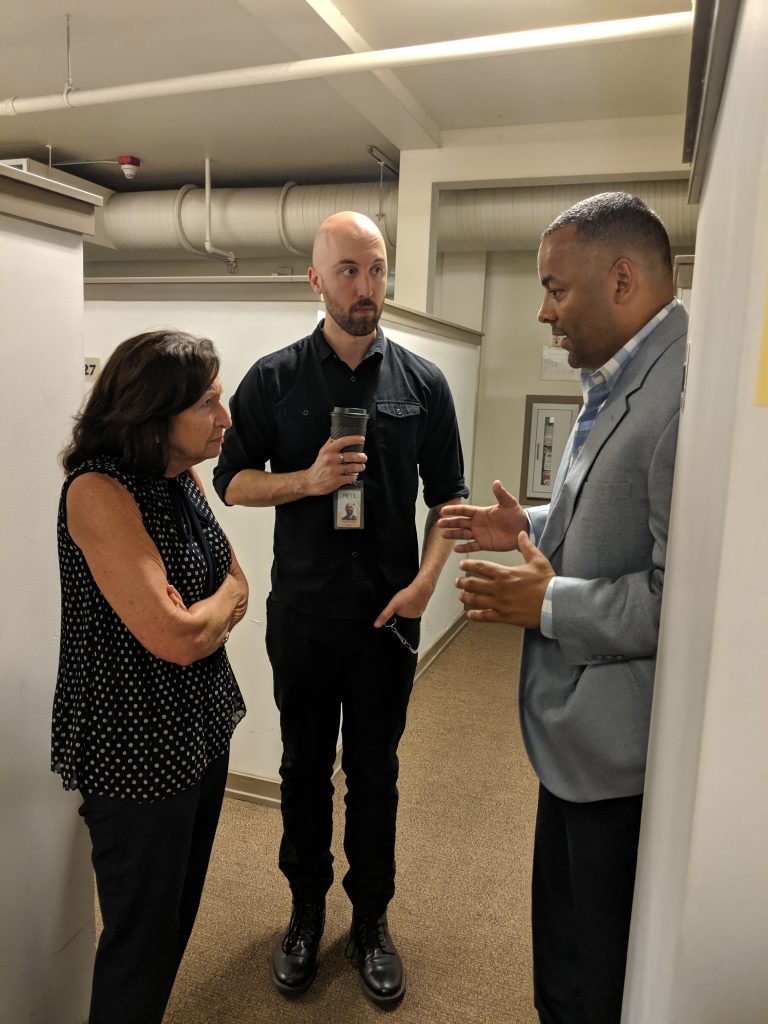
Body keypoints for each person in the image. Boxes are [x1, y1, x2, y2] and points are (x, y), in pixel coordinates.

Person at [438, 192, 688, 1024]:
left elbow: (679, 597)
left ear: (622, 279)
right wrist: (527, 526)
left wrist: (547, 605)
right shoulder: (623, 373)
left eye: (556, 289)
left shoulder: (682, 397)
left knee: (592, 975)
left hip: (619, 755)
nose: (543, 312)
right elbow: (607, 515)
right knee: (562, 952)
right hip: (575, 744)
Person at [213, 210, 468, 1007]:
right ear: (315, 280)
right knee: (301, 770)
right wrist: (305, 482)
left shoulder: (423, 384)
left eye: (377, 269)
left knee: (376, 773)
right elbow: (230, 480)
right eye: (349, 270)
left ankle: (371, 922)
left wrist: (430, 580)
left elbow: (450, 499)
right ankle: (303, 913)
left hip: (390, 617)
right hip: (306, 617)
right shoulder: (274, 379)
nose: (366, 287)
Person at [52, 330, 249, 1024]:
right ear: (152, 413)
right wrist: (207, 617)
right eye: (207, 403)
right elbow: (178, 636)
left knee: (173, 921)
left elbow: (239, 581)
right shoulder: (99, 492)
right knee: (139, 940)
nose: (225, 418)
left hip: (199, 729)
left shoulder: (180, 477)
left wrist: (207, 613)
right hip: (132, 748)